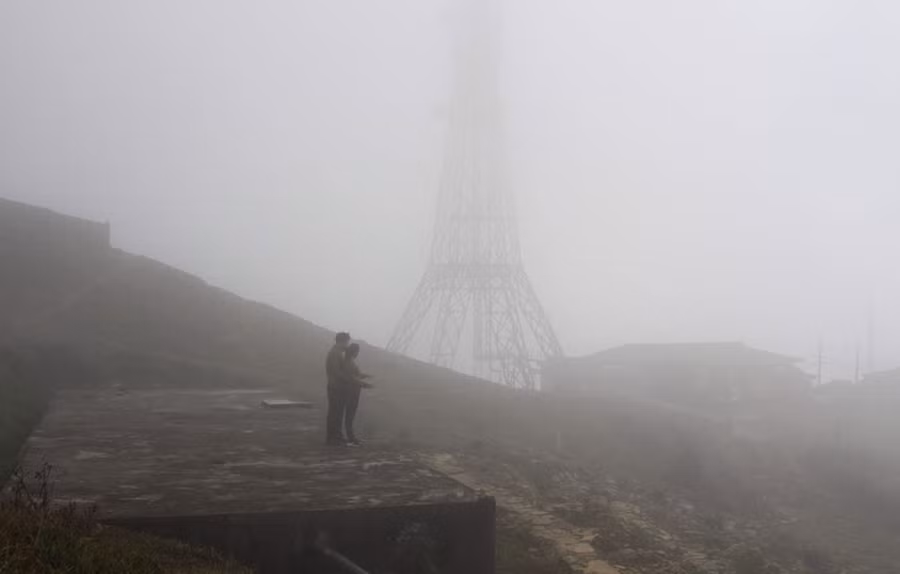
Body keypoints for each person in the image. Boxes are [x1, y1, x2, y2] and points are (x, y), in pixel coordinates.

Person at [342, 343, 373, 446]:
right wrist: (365, 384)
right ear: (354, 352)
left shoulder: (349, 361)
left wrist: (366, 376)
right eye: (357, 352)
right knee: (350, 415)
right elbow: (352, 378)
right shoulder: (348, 362)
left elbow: (355, 375)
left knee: (350, 415)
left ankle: (350, 436)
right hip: (351, 391)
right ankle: (351, 437)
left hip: (353, 390)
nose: (358, 354)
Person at [325, 332, 352, 446]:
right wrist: (349, 379)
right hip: (336, 387)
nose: (347, 345)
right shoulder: (335, 354)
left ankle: (336, 436)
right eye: (347, 342)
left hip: (337, 387)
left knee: (337, 412)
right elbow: (337, 372)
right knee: (335, 413)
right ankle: (333, 438)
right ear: (342, 342)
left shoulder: (336, 353)